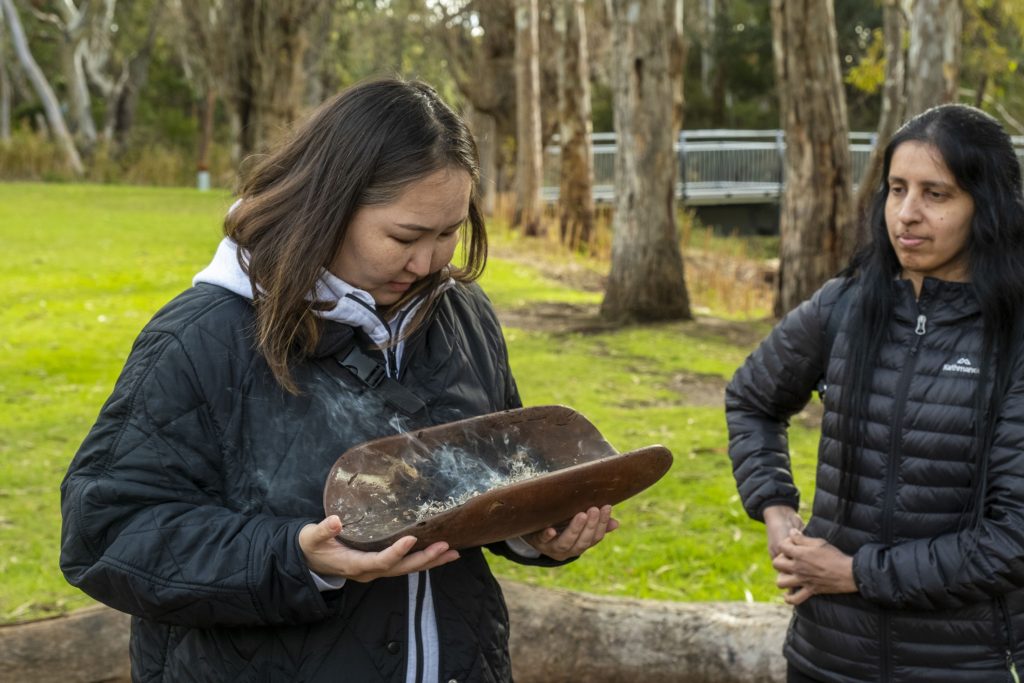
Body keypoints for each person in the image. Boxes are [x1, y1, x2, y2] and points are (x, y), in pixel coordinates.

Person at [59, 78, 618, 683]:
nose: (428, 263)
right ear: (328, 205)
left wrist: (537, 533)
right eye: (405, 237)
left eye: (448, 232)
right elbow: (107, 533)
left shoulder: (464, 316)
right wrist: (295, 558)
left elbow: (490, 478)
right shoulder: (202, 338)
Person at [726, 103, 1024, 683]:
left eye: (936, 194)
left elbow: (1013, 538)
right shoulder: (845, 304)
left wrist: (855, 572)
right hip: (826, 658)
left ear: (985, 207)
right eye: (896, 189)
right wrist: (777, 511)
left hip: (969, 663)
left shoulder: (1015, 335)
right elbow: (752, 400)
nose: (907, 214)